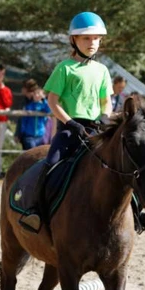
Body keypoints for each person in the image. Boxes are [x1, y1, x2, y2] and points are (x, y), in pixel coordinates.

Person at [20, 12, 113, 232]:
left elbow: (106, 101)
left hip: (96, 128)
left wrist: (105, 117)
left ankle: (136, 213)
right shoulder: (64, 68)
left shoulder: (102, 70)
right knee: (51, 163)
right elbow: (52, 101)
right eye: (86, 38)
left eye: (96, 38)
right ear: (74, 40)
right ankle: (35, 211)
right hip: (69, 129)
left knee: (121, 165)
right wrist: (71, 123)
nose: (92, 43)